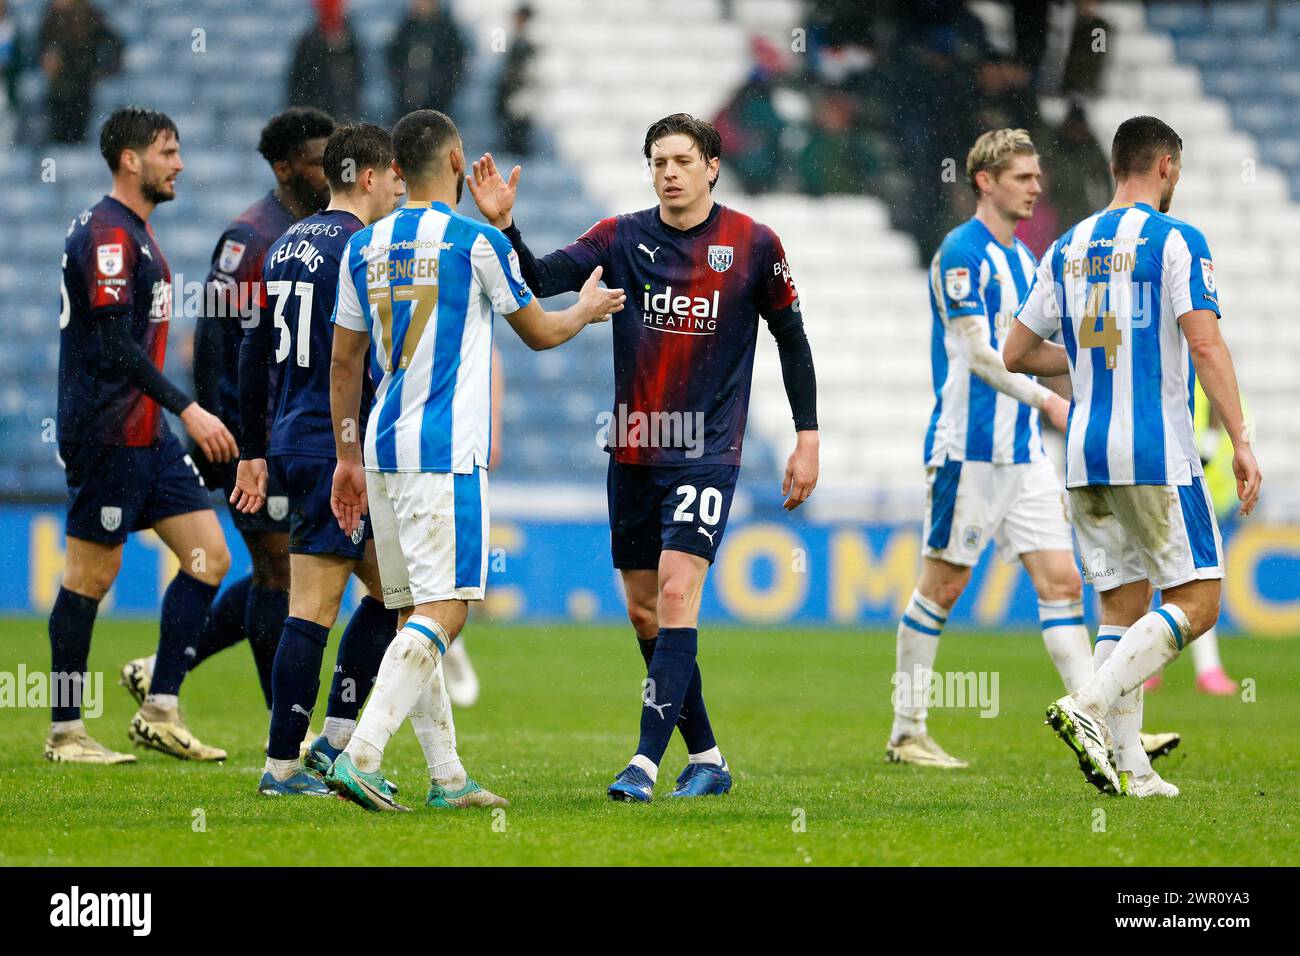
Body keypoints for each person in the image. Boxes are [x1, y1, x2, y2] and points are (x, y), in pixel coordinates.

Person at [470, 113, 820, 802]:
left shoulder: (753, 244)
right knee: (643, 611)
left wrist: (807, 436)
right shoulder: (621, 237)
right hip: (633, 447)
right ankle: (709, 757)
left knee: (677, 590)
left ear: (712, 166)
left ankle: (643, 764)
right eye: (658, 161)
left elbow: (791, 337)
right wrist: (506, 228)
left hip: (706, 451)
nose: (668, 172)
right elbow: (540, 281)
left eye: (682, 160)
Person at [325, 109, 624, 811]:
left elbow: (343, 359)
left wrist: (345, 455)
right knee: (449, 609)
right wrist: (583, 308)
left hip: (380, 448)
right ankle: (360, 755)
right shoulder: (476, 244)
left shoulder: (364, 246)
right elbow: (541, 333)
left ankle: (448, 777)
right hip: (444, 450)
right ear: (457, 160)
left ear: (397, 169)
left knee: (410, 616)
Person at [1005, 115, 1262, 798]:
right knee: (1199, 599)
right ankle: (1087, 703)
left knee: (1120, 610)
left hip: (1086, 452)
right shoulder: (1176, 240)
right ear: (1167, 167)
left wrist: (1089, 363)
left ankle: (1134, 770)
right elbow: (1205, 344)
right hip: (1155, 451)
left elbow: (1018, 353)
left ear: (1117, 166)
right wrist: (1240, 439)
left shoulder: (1066, 244)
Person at [120, 108, 336, 721]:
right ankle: (283, 732)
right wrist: (230, 437)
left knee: (295, 566)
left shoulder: (325, 231)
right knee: (276, 570)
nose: (328, 170)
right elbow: (215, 341)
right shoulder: (250, 238)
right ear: (285, 165)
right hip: (250, 438)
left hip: (300, 433)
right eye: (318, 159)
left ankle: (166, 670)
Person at [888, 128, 1085, 769]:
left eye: (1036, 176)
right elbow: (981, 356)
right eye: (1023, 177)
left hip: (1024, 453)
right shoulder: (961, 254)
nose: (1037, 187)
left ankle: (1101, 724)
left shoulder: (1026, 261)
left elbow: (1034, 353)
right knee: (943, 587)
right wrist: (1051, 401)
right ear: (986, 181)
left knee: (1063, 583)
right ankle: (907, 732)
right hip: (967, 450)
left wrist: (1094, 369)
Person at [47, 107, 235, 764]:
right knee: (90, 576)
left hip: (146, 432)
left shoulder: (133, 232)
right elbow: (111, 343)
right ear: (132, 159)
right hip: (107, 428)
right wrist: (190, 407)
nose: (178, 163)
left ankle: (160, 708)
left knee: (209, 555)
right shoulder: (107, 233)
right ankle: (65, 731)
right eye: (167, 151)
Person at [229, 123, 408, 796]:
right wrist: (352, 448)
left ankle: (334, 737)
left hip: (291, 437)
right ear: (367, 176)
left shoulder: (284, 244)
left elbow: (251, 352)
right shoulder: (364, 249)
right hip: (339, 448)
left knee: (399, 590)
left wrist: (253, 447)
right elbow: (360, 356)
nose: (398, 186)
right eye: (393, 175)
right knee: (314, 608)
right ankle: (287, 763)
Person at [1144, 377, 1246, 696]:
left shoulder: (1189, 355)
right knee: (1163, 576)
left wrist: (1211, 444)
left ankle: (1203, 669)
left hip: (1196, 481)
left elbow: (1217, 394)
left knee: (1194, 578)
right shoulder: (1166, 353)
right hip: (1163, 474)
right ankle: (1152, 666)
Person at [37, 0, 121, 144]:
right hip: (58, 89)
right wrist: (47, 59)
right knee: (58, 138)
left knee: (77, 136)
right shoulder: (51, 19)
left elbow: (115, 42)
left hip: (82, 86)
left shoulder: (90, 16)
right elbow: (41, 46)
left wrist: (104, 70)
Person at [388, 0, 468, 118]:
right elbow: (393, 61)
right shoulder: (406, 29)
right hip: (406, 105)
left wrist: (441, 89)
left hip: (438, 105)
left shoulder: (446, 31)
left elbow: (456, 66)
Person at [287, 0, 363, 121]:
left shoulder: (350, 40)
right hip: (318, 118)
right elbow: (298, 87)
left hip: (345, 115)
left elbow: (358, 78)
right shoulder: (309, 43)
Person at [495, 4, 534, 155]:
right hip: (510, 93)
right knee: (511, 134)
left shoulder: (527, 43)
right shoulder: (512, 40)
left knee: (519, 136)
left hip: (521, 93)